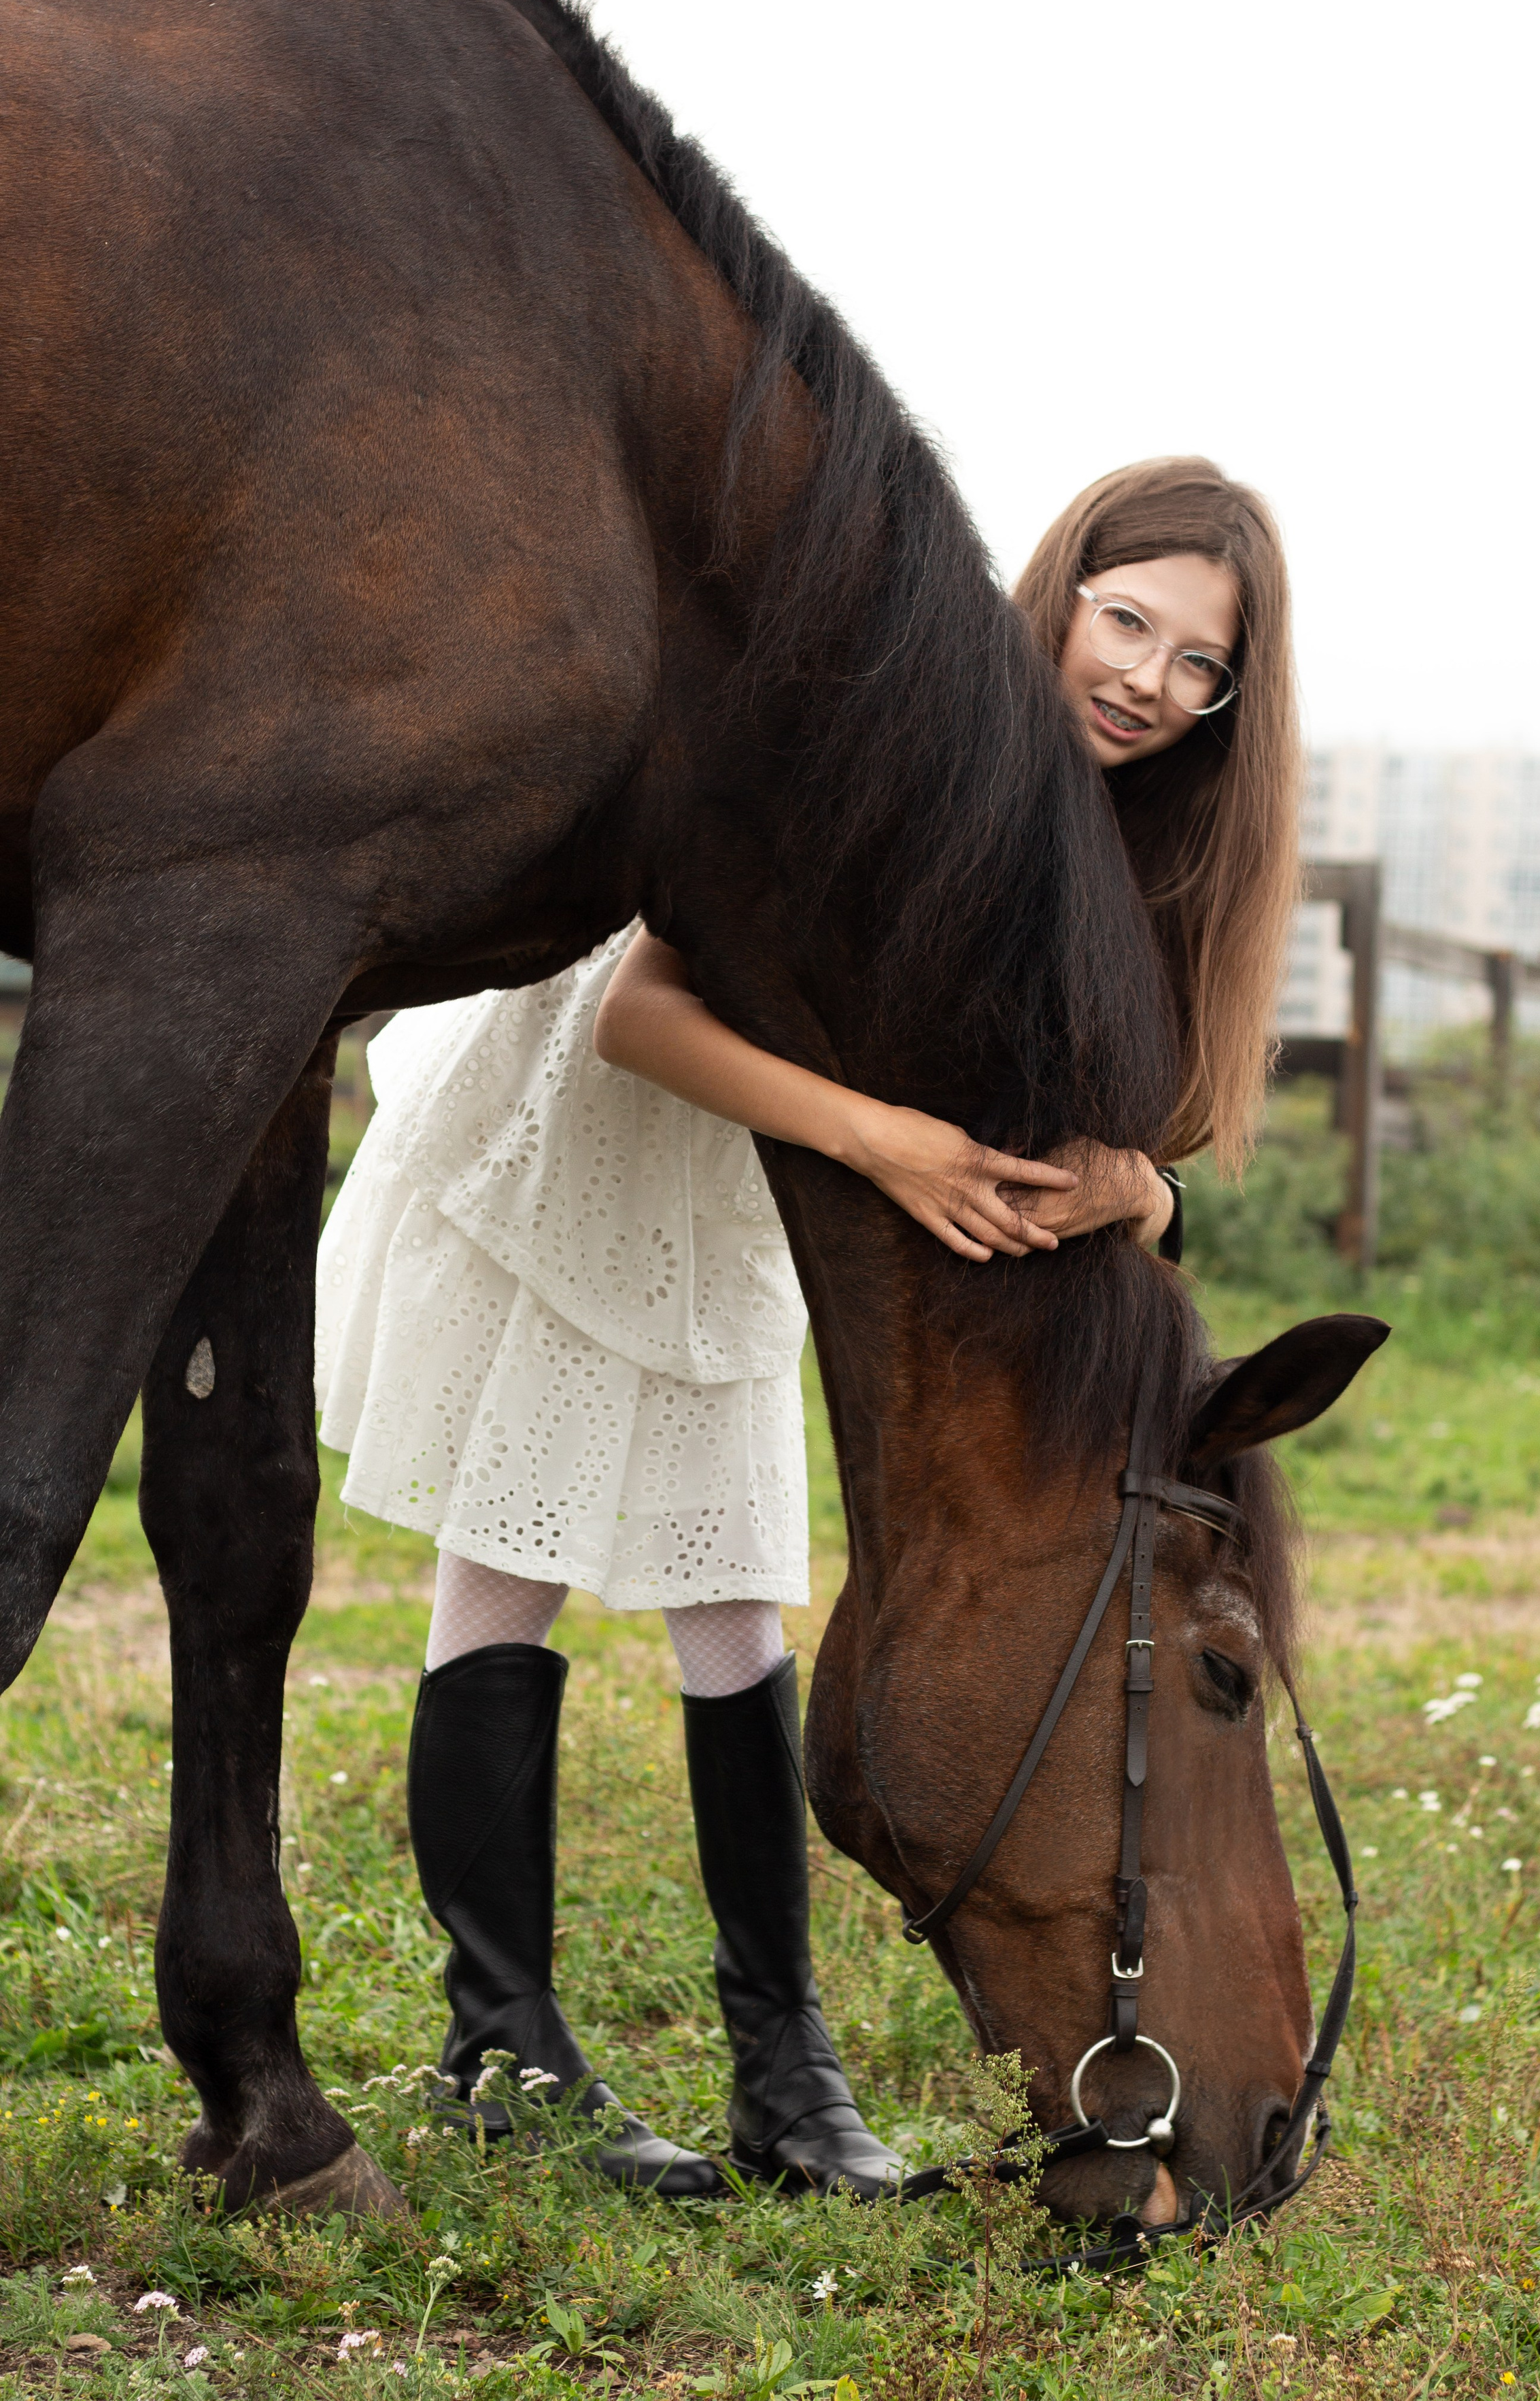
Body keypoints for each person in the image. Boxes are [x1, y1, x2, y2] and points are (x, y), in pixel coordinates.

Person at [313, 453, 1299, 2201]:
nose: (1145, 677)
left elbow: (1134, 1127)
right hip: (617, 1120)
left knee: (731, 1579)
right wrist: (880, 1137)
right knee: (511, 1554)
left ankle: (786, 2076)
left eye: (1194, 663)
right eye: (1124, 619)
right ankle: (502, 2047)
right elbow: (639, 1011)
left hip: (774, 1190)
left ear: (1231, 699)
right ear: (1060, 591)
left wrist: (1142, 1193)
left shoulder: (1143, 844)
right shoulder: (919, 748)